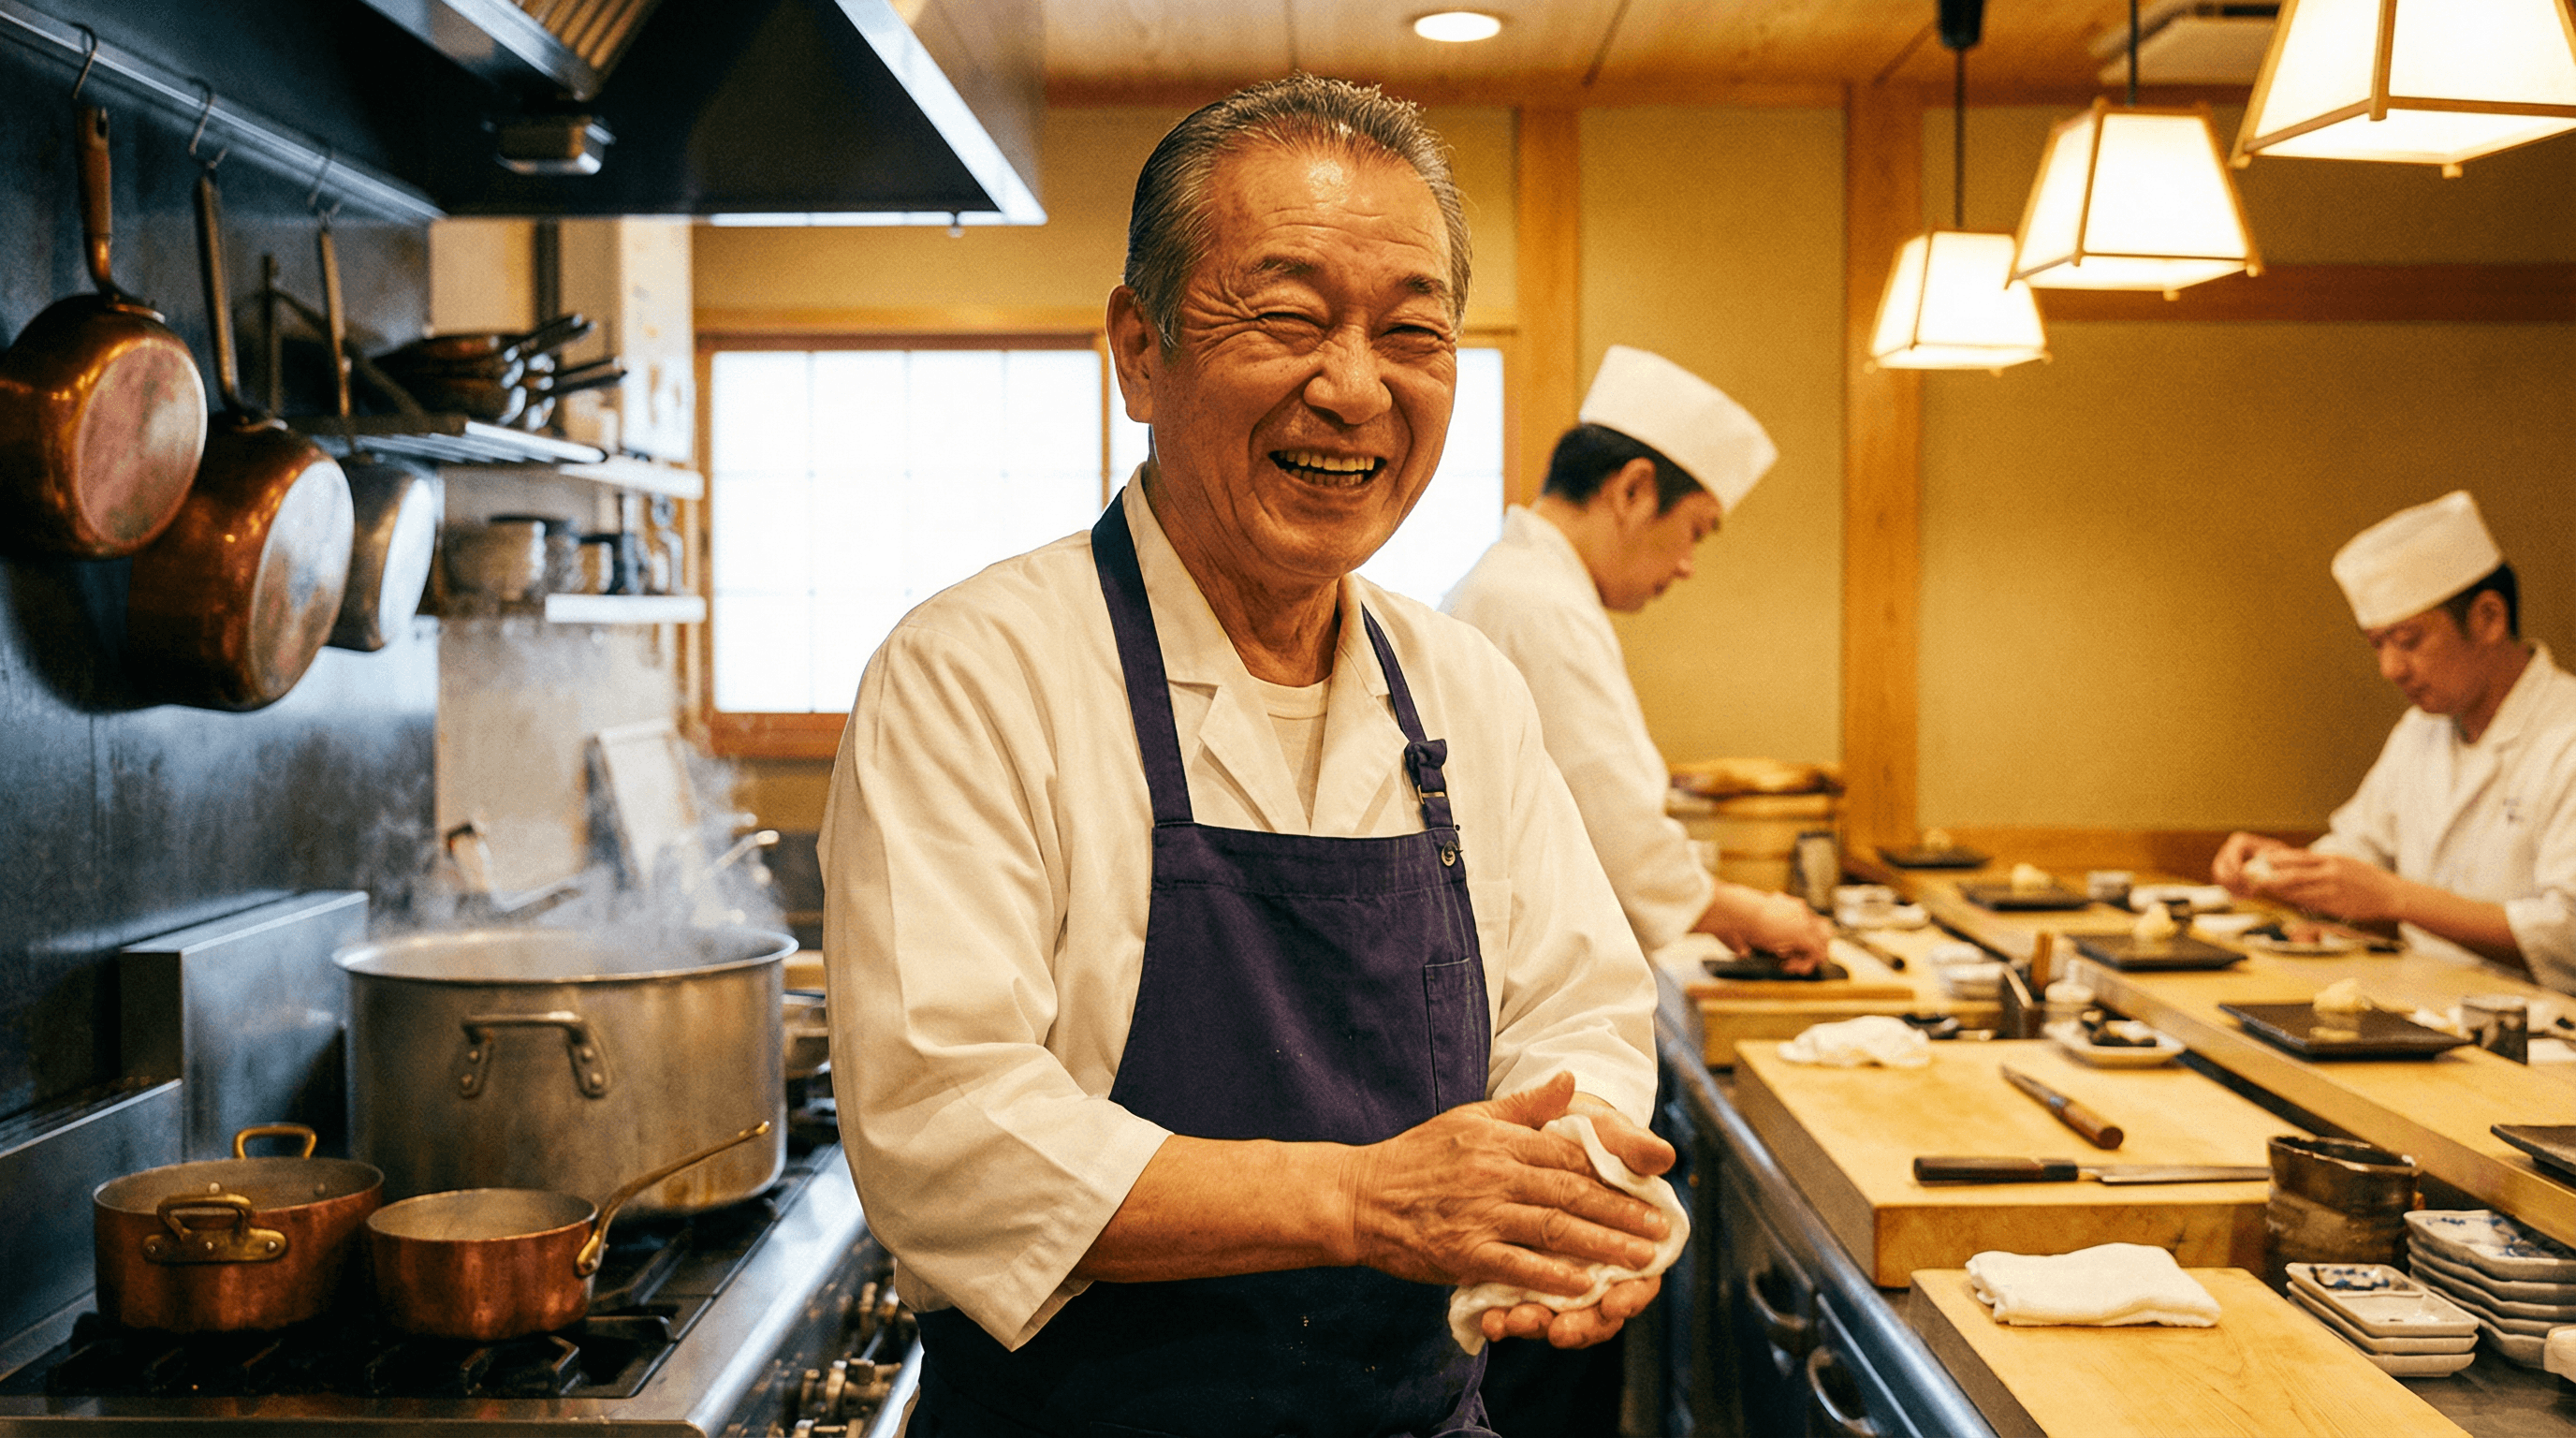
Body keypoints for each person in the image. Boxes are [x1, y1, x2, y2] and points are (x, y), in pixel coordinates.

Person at [821, 76, 1675, 1436]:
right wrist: (1360, 1201)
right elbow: (948, 1133)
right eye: (1286, 317)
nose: (1353, 388)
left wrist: (1558, 1187)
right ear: (1139, 350)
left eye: (1412, 333)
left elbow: (1579, 1009)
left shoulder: (1463, 687)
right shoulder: (977, 672)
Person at [1444, 345, 1834, 971]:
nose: (1686, 566)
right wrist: (1754, 914)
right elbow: (1618, 835)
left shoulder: (1524, 584)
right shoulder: (1537, 606)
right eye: (1696, 531)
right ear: (1633, 489)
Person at [2213, 490, 2576, 994]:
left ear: (2488, 619)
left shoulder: (2566, 735)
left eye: (2409, 641)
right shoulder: (2420, 731)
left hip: (2545, 1033)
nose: (2391, 670)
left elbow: (2568, 931)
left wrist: (2396, 899)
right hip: (2421, 1000)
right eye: (2378, 646)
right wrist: (2286, 870)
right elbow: (2362, 846)